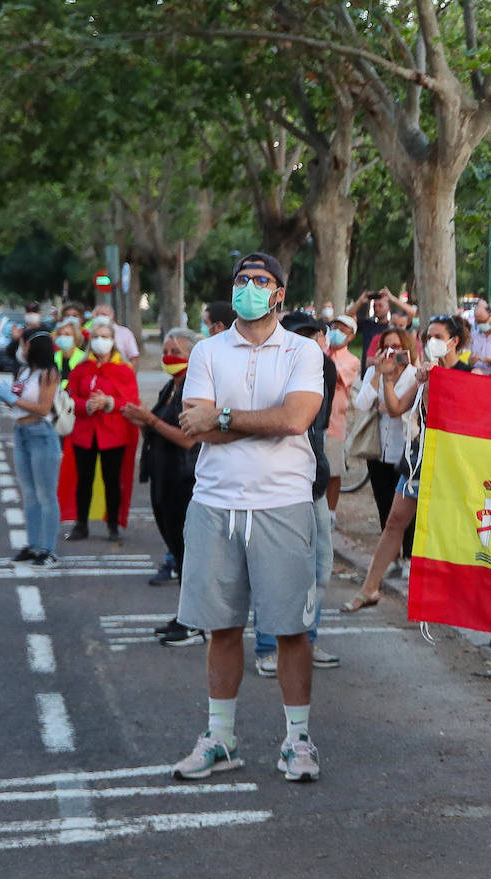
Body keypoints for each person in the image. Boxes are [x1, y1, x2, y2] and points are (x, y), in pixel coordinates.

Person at [171, 252, 326, 782]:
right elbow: (197, 426)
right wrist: (259, 422)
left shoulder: (303, 351)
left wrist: (228, 416)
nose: (250, 288)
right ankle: (220, 738)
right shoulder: (208, 351)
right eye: (242, 280)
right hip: (215, 502)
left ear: (279, 293)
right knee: (222, 627)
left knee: (290, 630)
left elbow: (297, 418)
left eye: (261, 281)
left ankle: (298, 740)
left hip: (282, 502)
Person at [342, 316, 469, 615]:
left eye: (438, 336)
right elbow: (397, 407)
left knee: (451, 527)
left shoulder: (467, 373)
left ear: (455, 342)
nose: (431, 341)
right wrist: (386, 378)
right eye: (427, 336)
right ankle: (369, 588)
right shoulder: (425, 374)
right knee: (395, 521)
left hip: (452, 461)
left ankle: (453, 596)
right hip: (419, 458)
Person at [254, 311, 342, 676]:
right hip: (276, 486)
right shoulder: (266, 371)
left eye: (314, 335)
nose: (308, 342)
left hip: (314, 483)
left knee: (320, 566)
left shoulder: (325, 370)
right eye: (298, 335)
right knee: (275, 570)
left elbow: (316, 427)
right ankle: (266, 646)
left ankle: (307, 638)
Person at [121, 330, 202, 639]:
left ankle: (193, 620)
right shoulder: (171, 386)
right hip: (161, 476)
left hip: (182, 479)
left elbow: (187, 439)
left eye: (176, 351)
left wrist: (151, 421)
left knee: (187, 551)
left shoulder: (195, 390)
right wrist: (142, 421)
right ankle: (184, 615)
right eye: (166, 349)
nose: (169, 355)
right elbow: (156, 430)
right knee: (176, 549)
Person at [0, 330, 61, 566]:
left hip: (41, 433)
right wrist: (2, 396)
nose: (21, 348)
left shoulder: (48, 374)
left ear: (32, 346)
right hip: (21, 432)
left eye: (23, 344)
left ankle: (48, 549)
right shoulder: (25, 372)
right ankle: (33, 544)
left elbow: (43, 407)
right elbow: (17, 403)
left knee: (46, 495)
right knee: (29, 494)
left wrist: (10, 397)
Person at [65, 319, 139, 542]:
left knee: (112, 480)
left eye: (105, 337)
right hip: (84, 432)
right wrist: (85, 405)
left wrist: (108, 402)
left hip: (113, 433)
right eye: (96, 337)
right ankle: (81, 524)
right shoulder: (81, 369)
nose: (100, 341)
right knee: (84, 479)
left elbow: (130, 399)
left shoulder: (123, 370)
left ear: (113, 341)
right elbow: (70, 396)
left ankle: (113, 525)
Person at [355, 327, 421, 559]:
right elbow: (362, 404)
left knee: (406, 511)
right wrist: (377, 375)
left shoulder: (415, 375)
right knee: (384, 507)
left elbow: (410, 410)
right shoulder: (375, 372)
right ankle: (390, 559)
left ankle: (408, 557)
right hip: (379, 450)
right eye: (387, 346)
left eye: (396, 346)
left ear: (407, 348)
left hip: (404, 451)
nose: (391, 351)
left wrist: (394, 406)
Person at [324, 314, 361, 522]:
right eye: (335, 326)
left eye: (343, 329)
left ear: (351, 337)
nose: (337, 331)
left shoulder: (352, 361)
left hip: (334, 421)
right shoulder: (321, 350)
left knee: (333, 469)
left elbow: (335, 375)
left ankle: (331, 513)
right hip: (312, 419)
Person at [89, 303, 140, 370]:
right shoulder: (89, 332)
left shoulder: (124, 332)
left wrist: (130, 375)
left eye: (103, 314)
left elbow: (134, 357)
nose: (100, 317)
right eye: (97, 315)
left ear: (112, 316)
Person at [53, 318, 86, 384]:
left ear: (76, 337)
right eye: (60, 334)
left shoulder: (84, 358)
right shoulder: (54, 356)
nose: (62, 337)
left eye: (67, 334)